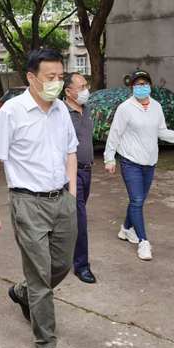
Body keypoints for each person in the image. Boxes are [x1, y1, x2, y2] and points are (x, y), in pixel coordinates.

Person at [0, 48, 78, 348]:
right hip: (27, 202)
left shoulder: (61, 110)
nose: (57, 82)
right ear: (31, 78)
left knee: (62, 264)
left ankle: (21, 292)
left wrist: (72, 195)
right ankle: (46, 345)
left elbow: (71, 152)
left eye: (60, 77)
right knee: (40, 276)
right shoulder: (11, 113)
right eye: (50, 77)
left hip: (61, 200)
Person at [104, 70, 174, 261]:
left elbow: (161, 131)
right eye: (138, 84)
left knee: (138, 200)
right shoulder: (125, 108)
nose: (142, 87)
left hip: (150, 162)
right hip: (130, 161)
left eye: (145, 83)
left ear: (150, 86)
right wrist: (109, 158)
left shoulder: (156, 107)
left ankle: (125, 229)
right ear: (132, 87)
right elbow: (115, 134)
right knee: (137, 200)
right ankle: (143, 242)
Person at [63, 72, 96, 284]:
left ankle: (61, 252)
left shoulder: (87, 110)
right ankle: (82, 265)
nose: (86, 91)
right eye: (82, 87)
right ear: (68, 91)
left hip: (87, 170)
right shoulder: (61, 113)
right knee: (80, 220)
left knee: (72, 218)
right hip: (70, 173)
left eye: (86, 86)